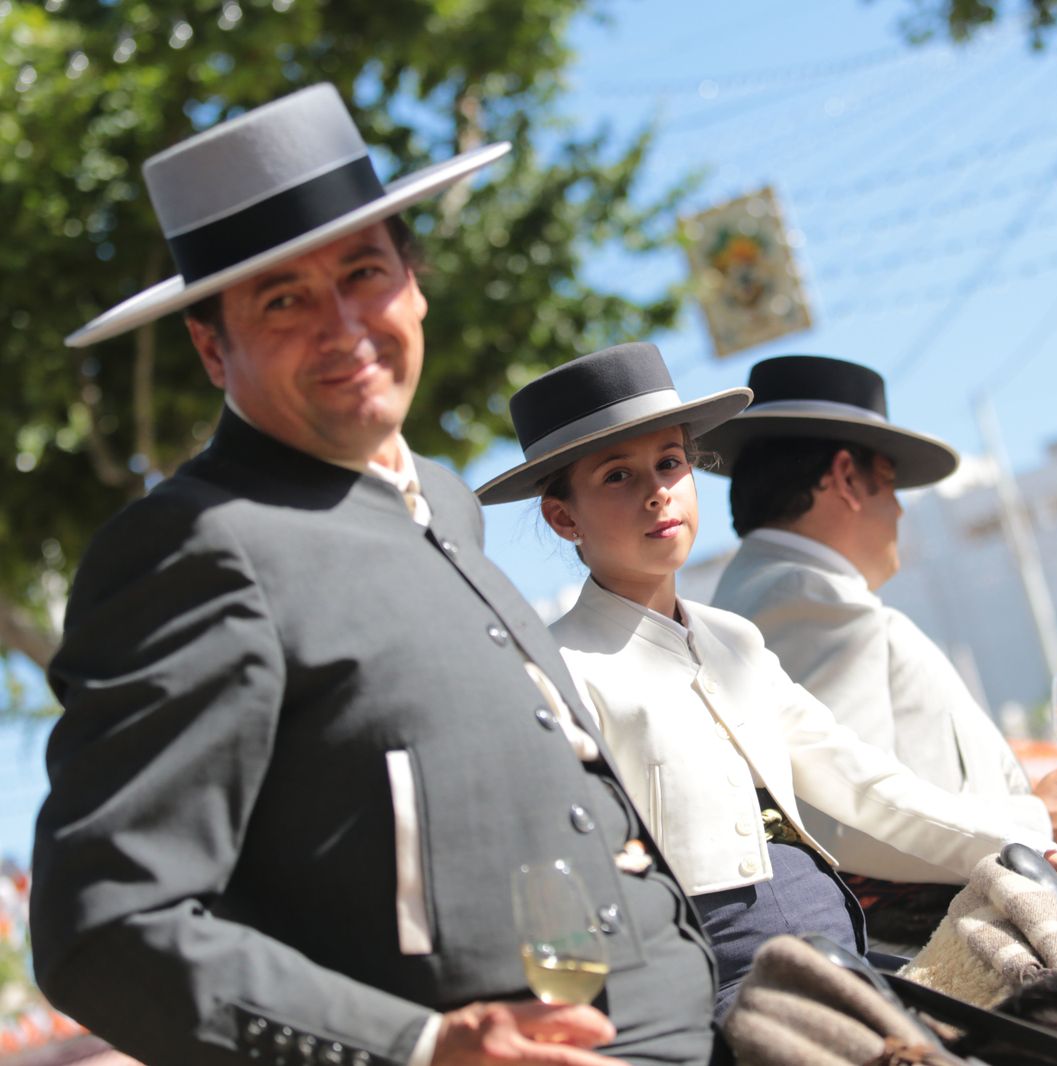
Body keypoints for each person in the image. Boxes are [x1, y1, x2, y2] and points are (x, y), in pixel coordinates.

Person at [31, 86, 718, 1066]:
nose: (344, 323)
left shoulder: (447, 500)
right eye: (284, 299)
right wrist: (417, 1045)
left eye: (366, 272)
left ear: (416, 283)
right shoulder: (193, 546)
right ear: (208, 343)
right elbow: (103, 926)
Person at [475, 343, 1057, 1015]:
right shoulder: (557, 670)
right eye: (617, 476)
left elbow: (868, 788)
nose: (656, 491)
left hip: (844, 960)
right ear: (564, 517)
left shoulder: (733, 640)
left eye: (671, 463)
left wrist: (1037, 844)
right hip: (723, 992)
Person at [702, 357, 1057, 898]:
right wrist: (1036, 821)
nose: (900, 511)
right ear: (847, 478)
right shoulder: (804, 594)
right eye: (890, 484)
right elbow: (846, 821)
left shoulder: (784, 590)